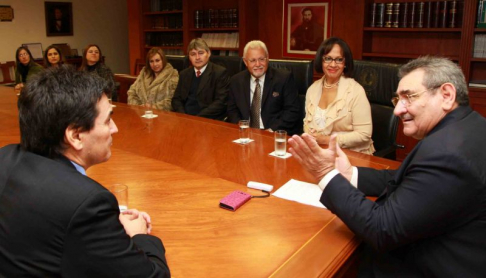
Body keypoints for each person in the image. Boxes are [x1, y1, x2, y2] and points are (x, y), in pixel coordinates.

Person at [288, 56, 486, 276]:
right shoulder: (467, 127)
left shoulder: (448, 154)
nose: (398, 110)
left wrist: (325, 174)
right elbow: (408, 178)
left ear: (446, 95)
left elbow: (381, 229)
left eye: (408, 97)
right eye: (397, 100)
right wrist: (349, 174)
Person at [0, 66, 170, 277]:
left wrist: (109, 227)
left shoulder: (5, 157)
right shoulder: (87, 203)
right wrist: (139, 236)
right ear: (76, 136)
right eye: (108, 120)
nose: (115, 128)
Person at [303, 37, 374, 154]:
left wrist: (326, 140)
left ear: (345, 63)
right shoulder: (312, 89)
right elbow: (306, 122)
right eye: (328, 59)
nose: (333, 64)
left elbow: (364, 134)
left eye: (339, 60)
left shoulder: (356, 91)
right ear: (321, 61)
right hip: (319, 152)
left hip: (351, 154)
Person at [227, 40, 301, 135]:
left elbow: (292, 111)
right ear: (245, 62)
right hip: (245, 133)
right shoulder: (236, 80)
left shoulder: (284, 79)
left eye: (261, 59)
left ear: (268, 58)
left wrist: (270, 131)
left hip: (273, 133)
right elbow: (232, 110)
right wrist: (242, 128)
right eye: (253, 60)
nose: (258, 64)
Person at [171, 38, 229, 121]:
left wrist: (197, 118)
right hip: (185, 118)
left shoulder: (219, 73)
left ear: (208, 53)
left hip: (207, 119)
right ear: (189, 57)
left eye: (201, 53)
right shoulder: (184, 74)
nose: (197, 57)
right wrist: (183, 116)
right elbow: (176, 99)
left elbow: (221, 102)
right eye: (193, 54)